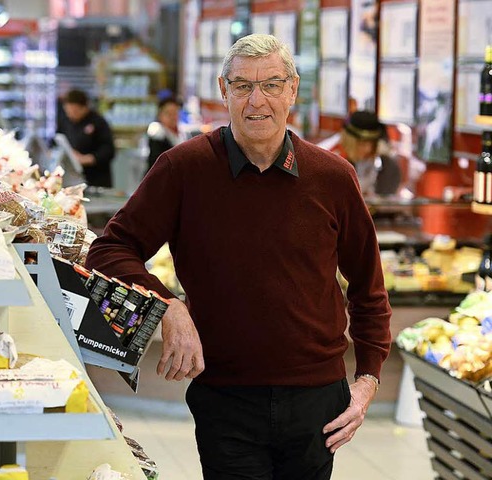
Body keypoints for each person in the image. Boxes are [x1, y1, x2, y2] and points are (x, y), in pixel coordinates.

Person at [85, 34, 391, 480]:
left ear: (293, 91)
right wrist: (169, 305)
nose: (257, 100)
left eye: (271, 85)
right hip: (226, 397)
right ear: (223, 90)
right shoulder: (183, 169)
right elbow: (110, 249)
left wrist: (366, 380)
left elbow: (368, 288)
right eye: (243, 85)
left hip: (317, 398)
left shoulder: (332, 177)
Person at [323, 110, 402, 197]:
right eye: (362, 143)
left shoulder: (385, 161)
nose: (368, 149)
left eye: (372, 143)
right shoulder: (331, 159)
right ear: (350, 141)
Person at [56, 89, 115, 188]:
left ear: (84, 107)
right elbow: (56, 139)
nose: (71, 115)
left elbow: (109, 150)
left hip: (96, 180)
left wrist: (86, 159)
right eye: (68, 111)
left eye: (74, 111)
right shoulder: (65, 121)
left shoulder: (98, 122)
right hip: (71, 178)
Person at [145, 97, 182, 173]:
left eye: (175, 113)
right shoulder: (157, 132)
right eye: (168, 113)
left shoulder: (181, 133)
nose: (172, 117)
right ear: (160, 115)